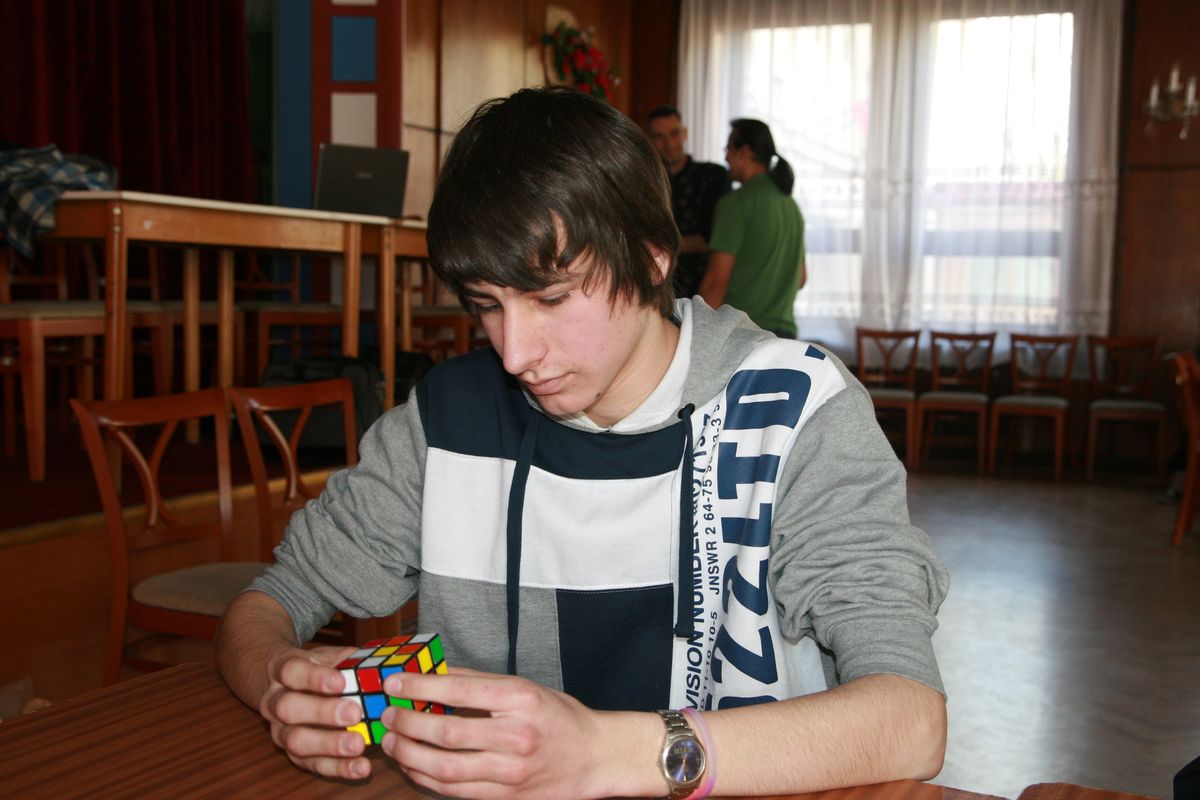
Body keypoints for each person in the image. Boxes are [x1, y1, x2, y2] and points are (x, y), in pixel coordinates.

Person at [216, 86, 949, 799]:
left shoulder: (797, 411)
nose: (514, 353)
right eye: (486, 305)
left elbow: (910, 720)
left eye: (552, 297)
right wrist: (283, 684)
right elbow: (269, 603)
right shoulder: (446, 419)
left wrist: (606, 754)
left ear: (653, 256)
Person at [701, 119, 806, 338]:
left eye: (729, 149)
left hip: (743, 335)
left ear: (745, 151)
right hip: (784, 338)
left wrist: (698, 334)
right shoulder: (791, 206)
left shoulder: (736, 203)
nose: (726, 157)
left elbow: (716, 282)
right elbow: (800, 279)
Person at [645, 105, 731, 299]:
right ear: (649, 140)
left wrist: (659, 246)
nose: (669, 143)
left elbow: (715, 238)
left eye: (674, 133)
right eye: (659, 136)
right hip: (656, 293)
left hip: (706, 292)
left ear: (685, 134)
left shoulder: (713, 176)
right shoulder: (644, 182)